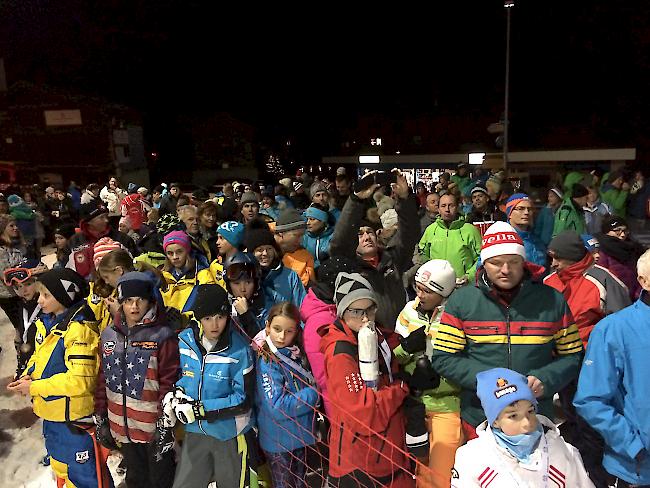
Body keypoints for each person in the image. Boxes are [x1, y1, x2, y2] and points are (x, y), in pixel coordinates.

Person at [431, 221, 584, 439]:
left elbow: (572, 356)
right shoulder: (462, 301)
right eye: (496, 263)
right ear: (484, 264)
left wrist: (546, 378)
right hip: (480, 417)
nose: (505, 270)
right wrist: (487, 382)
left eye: (513, 261)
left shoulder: (551, 300)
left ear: (524, 261)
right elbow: (444, 358)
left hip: (535, 417)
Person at [7, 268, 112, 487]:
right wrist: (28, 375)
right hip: (53, 415)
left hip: (74, 421)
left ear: (65, 297)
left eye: (46, 295)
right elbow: (40, 357)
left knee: (85, 477)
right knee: (61, 468)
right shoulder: (50, 322)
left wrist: (35, 387)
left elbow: (80, 381)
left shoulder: (79, 331)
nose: (40, 300)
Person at [319, 272, 413, 487]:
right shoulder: (340, 354)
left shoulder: (374, 334)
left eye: (370, 309)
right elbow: (364, 415)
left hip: (387, 452)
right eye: (355, 311)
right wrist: (401, 388)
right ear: (342, 312)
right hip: (362, 461)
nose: (364, 317)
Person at [94, 272, 179, 488]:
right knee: (135, 479)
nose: (134, 307)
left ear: (150, 301)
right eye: (128, 300)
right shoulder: (109, 335)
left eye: (140, 300)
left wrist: (164, 424)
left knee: (161, 480)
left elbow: (169, 381)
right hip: (121, 427)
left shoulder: (162, 335)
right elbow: (103, 377)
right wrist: (101, 415)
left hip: (153, 429)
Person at [574, 248, 650, 488]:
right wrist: (633, 446)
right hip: (636, 470)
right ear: (643, 281)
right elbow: (590, 400)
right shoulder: (614, 329)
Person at [168, 284, 257, 488]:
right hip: (195, 432)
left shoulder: (239, 350)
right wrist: (177, 395)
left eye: (220, 317)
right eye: (207, 318)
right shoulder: (185, 341)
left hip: (230, 434)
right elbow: (186, 377)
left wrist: (200, 410)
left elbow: (243, 400)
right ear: (198, 319)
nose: (215, 325)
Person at [452, 367, 594, 487]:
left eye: (530, 411)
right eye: (513, 416)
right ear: (495, 421)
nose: (527, 423)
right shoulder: (471, 457)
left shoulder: (563, 451)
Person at [394, 259, 462, 488]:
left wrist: (440, 383)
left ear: (444, 293)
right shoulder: (408, 311)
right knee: (421, 473)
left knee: (443, 476)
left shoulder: (456, 315)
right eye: (417, 288)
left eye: (428, 291)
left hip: (446, 407)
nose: (420, 295)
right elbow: (393, 358)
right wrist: (406, 348)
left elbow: (467, 363)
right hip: (415, 405)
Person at [330, 170, 419, 329]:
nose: (366, 237)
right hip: (367, 336)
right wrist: (356, 199)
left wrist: (404, 199)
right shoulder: (349, 266)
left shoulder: (393, 259)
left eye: (369, 232)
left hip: (397, 333)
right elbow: (339, 242)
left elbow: (409, 233)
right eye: (359, 234)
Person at [256, 301, 319, 488]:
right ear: (267, 327)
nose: (282, 336)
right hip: (280, 442)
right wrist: (313, 395)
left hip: (300, 436)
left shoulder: (296, 353)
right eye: (277, 329)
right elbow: (276, 406)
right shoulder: (267, 360)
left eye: (289, 331)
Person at [544, 231, 631, 347]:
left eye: (558, 258)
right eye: (551, 258)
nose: (553, 264)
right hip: (552, 354)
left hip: (589, 354)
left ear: (572, 256)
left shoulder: (602, 279)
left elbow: (622, 323)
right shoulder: (548, 281)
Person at [300, 256, 356, 416]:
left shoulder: (334, 309)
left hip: (349, 397)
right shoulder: (319, 321)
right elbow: (325, 377)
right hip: (341, 405)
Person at [65, 199, 139, 279]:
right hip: (85, 289)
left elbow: (135, 264)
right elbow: (65, 269)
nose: (106, 220)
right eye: (101, 217)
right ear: (89, 221)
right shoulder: (75, 242)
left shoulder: (122, 239)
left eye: (106, 216)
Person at [419, 193, 481, 283]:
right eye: (443, 206)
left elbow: (481, 258)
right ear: (439, 209)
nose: (447, 210)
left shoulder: (470, 230)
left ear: (457, 208)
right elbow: (423, 255)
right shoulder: (430, 230)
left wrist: (469, 276)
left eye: (451, 205)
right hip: (436, 285)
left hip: (462, 285)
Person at [245, 219, 306, 306]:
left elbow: (302, 306)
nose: (265, 253)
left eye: (269, 249)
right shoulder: (245, 277)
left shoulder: (290, 276)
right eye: (260, 250)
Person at [3, 258, 47, 379]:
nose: (23, 290)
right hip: (31, 368)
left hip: (47, 373)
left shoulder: (48, 308)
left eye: (28, 284)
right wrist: (21, 367)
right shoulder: (23, 305)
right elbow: (24, 336)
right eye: (18, 287)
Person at [224, 251, 283, 336]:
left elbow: (263, 344)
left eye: (248, 282)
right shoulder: (222, 306)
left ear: (256, 283)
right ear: (228, 285)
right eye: (236, 283)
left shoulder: (268, 307)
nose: (243, 289)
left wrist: (246, 315)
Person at [160, 230, 216, 313]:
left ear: (188, 251)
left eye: (179, 252)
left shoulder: (203, 276)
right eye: (170, 253)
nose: (175, 257)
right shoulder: (162, 278)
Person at [597, 216, 645, 300]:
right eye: (617, 231)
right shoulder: (601, 251)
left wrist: (639, 294)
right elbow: (600, 280)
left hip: (634, 297)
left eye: (625, 231)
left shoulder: (634, 248)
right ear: (607, 231)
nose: (622, 235)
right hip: (612, 300)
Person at [274, 208, 316, 287]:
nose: (300, 240)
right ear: (281, 233)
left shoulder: (305, 256)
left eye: (302, 236)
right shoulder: (262, 251)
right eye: (296, 235)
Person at [505, 193, 547, 268]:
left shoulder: (537, 241)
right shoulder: (500, 239)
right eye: (521, 208)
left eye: (530, 209)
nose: (526, 212)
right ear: (509, 214)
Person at [210, 220, 245, 286]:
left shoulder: (247, 266)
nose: (217, 242)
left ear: (233, 241)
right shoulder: (214, 265)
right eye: (217, 238)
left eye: (221, 238)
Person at [302, 202, 335, 268]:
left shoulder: (332, 238)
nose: (308, 223)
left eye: (312, 219)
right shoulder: (303, 237)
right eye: (307, 219)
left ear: (323, 222)